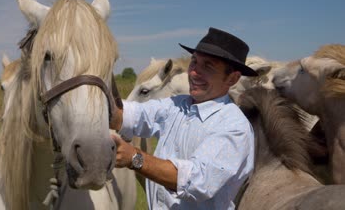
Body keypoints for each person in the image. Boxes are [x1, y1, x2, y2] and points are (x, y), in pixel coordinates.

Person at [110, 27, 257, 209]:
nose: (194, 72)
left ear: (232, 79)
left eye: (208, 66)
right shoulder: (177, 105)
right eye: (194, 62)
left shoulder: (234, 126)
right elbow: (131, 115)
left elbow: (197, 182)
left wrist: (134, 158)